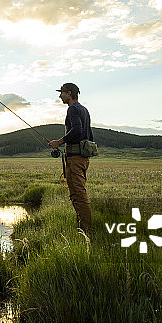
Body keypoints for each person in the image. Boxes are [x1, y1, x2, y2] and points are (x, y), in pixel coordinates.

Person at [48, 83, 93, 234]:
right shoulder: (84, 109)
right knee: (77, 193)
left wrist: (58, 142)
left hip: (75, 159)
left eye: (61, 93)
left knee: (78, 195)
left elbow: (77, 130)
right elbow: (86, 134)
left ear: (69, 93)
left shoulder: (73, 109)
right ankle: (83, 226)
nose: (60, 96)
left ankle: (86, 231)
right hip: (82, 157)